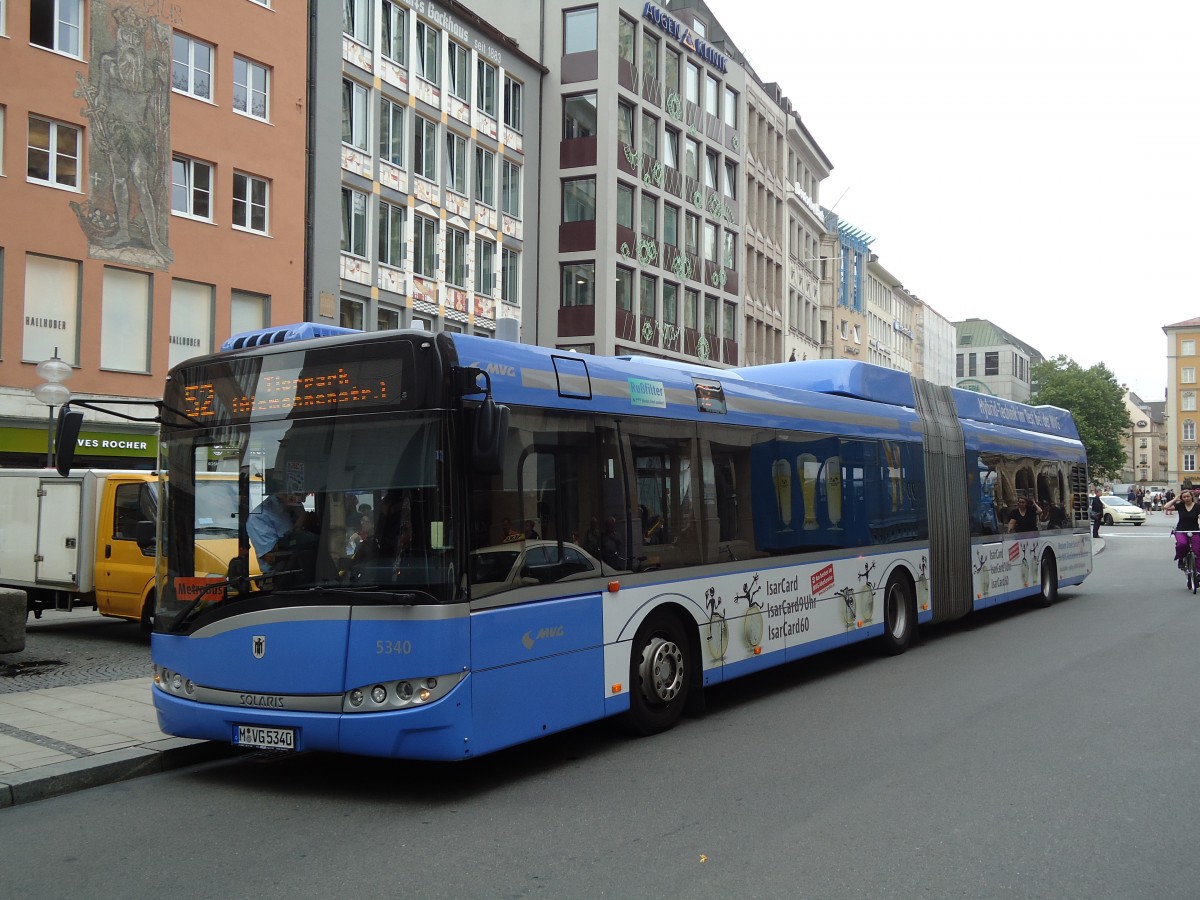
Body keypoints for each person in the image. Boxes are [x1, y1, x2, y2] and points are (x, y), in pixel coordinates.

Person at [248, 490, 302, 571]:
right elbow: (271, 558)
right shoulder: (259, 516)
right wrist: (299, 528)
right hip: (280, 575)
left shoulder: (297, 506)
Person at [1165, 490, 1200, 570]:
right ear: (1182, 498)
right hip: (1181, 530)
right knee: (1182, 544)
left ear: (1191, 497)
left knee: (1197, 550)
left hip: (1195, 531)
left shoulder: (1197, 506)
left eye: (1188, 496)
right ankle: (1181, 559)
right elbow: (1166, 507)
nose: (1186, 498)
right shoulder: (1180, 505)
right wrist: (1175, 499)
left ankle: (1198, 572)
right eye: (1184, 497)